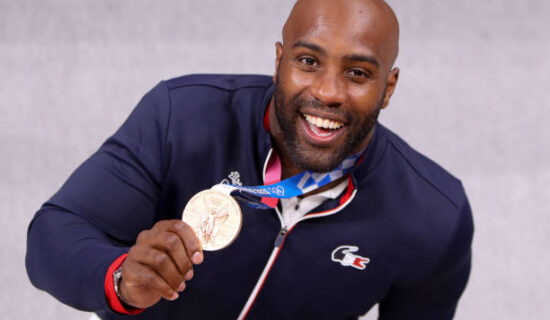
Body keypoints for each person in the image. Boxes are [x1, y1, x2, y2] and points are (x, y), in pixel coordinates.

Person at [26, 0, 474, 319]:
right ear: (279, 61)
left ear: (388, 88)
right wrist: (122, 279)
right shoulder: (180, 116)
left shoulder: (435, 213)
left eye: (357, 73)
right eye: (308, 61)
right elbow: (52, 236)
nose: (328, 92)